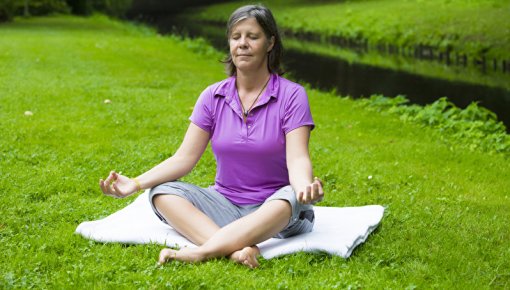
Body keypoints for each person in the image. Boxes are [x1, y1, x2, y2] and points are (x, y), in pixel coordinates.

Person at [99, 4, 324, 269]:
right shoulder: (212, 96)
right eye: (236, 36)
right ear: (229, 42)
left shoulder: (292, 95)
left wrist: (303, 188)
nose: (242, 44)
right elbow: (184, 158)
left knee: (289, 197)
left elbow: (297, 158)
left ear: (270, 43)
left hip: (275, 208)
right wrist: (135, 184)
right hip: (225, 203)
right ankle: (237, 250)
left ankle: (202, 252)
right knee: (161, 192)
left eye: (253, 36)